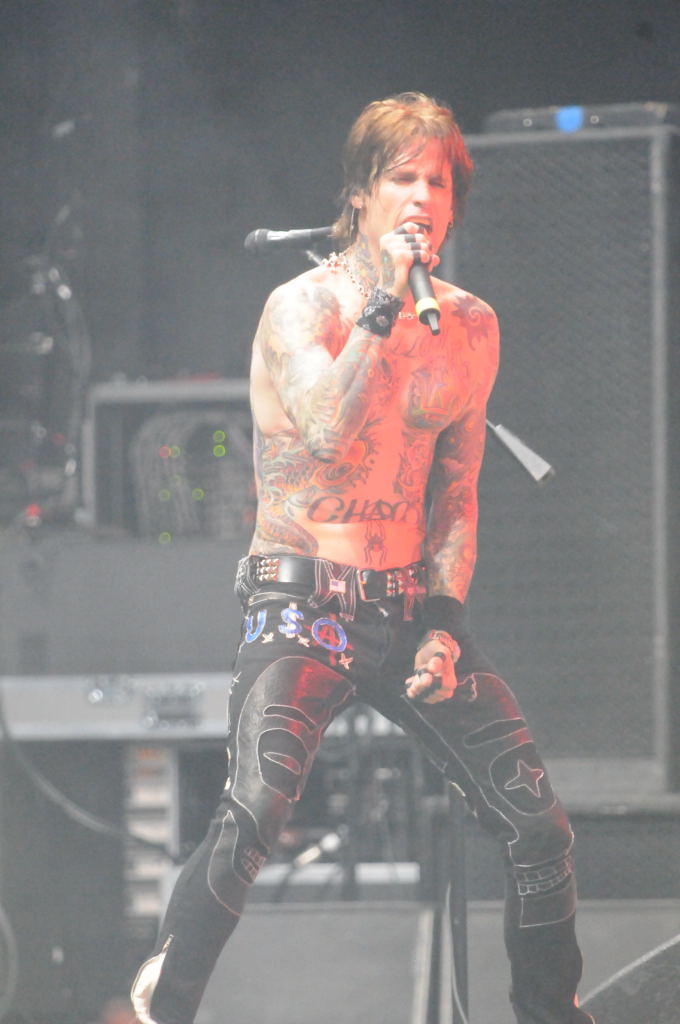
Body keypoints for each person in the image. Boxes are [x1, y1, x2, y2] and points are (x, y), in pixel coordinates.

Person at [131, 91, 594, 1024]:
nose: (421, 197)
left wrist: (444, 626)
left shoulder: (470, 326)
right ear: (360, 195)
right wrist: (384, 300)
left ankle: (553, 1015)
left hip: (405, 607)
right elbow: (328, 432)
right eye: (402, 178)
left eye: (438, 183)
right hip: (302, 602)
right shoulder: (300, 308)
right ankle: (164, 999)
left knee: (537, 824)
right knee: (258, 809)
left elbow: (456, 491)